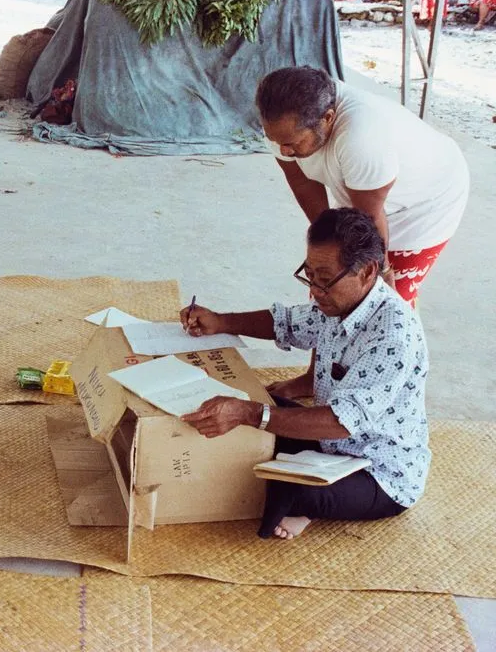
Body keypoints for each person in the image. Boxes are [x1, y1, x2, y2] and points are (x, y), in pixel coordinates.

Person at [179, 208, 430, 541]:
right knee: (258, 406)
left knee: (287, 489)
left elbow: (341, 423)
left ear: (368, 272)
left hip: (378, 470)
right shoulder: (338, 302)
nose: (314, 291)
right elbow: (286, 323)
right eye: (309, 276)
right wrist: (221, 321)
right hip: (331, 443)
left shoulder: (393, 334)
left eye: (324, 280)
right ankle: (303, 478)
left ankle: (308, 504)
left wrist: (252, 415)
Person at [256, 66, 468, 308]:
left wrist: (384, 272)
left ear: (328, 118)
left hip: (426, 200)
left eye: (292, 143)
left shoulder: (361, 137)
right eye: (276, 141)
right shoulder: (281, 124)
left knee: (381, 304)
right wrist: (327, 242)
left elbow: (369, 217)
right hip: (364, 189)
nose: (284, 151)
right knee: (329, 289)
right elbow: (302, 182)